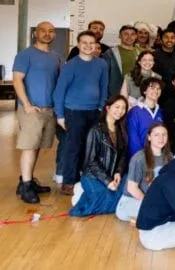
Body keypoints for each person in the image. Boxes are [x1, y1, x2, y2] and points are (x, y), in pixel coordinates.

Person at [54, 30, 109, 196]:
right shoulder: (70, 65)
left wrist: (100, 107)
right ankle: (69, 182)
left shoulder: (101, 64)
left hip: (94, 112)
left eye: (91, 43)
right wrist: (60, 115)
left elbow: (103, 86)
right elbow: (59, 91)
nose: (88, 46)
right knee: (73, 147)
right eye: (84, 43)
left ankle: (86, 179)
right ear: (78, 45)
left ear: (96, 45)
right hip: (74, 111)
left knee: (91, 147)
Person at [13, 21, 61, 203]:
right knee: (29, 146)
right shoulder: (25, 55)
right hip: (31, 108)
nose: (47, 34)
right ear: (35, 33)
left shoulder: (56, 56)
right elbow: (17, 80)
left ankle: (27, 180)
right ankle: (25, 186)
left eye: (51, 31)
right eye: (43, 31)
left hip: (49, 109)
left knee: (37, 145)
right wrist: (26, 104)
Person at [69, 95, 129, 216]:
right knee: (105, 203)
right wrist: (107, 181)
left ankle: (89, 195)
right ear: (108, 108)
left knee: (124, 191)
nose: (120, 111)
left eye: (123, 108)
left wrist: (118, 172)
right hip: (94, 176)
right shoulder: (96, 130)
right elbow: (90, 161)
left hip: (112, 175)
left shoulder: (120, 129)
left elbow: (123, 155)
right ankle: (82, 192)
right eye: (117, 107)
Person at [116, 122, 172, 222]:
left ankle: (142, 219)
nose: (161, 138)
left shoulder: (169, 157)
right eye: (156, 135)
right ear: (149, 137)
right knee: (161, 212)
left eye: (164, 134)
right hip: (132, 201)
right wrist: (151, 203)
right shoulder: (139, 158)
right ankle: (141, 220)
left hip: (156, 202)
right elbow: (132, 188)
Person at [126, 77, 165, 156]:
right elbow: (133, 140)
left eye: (158, 88)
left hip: (157, 158)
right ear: (144, 91)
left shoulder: (160, 112)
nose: (156, 91)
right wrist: (142, 158)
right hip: (139, 158)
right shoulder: (134, 112)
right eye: (152, 88)